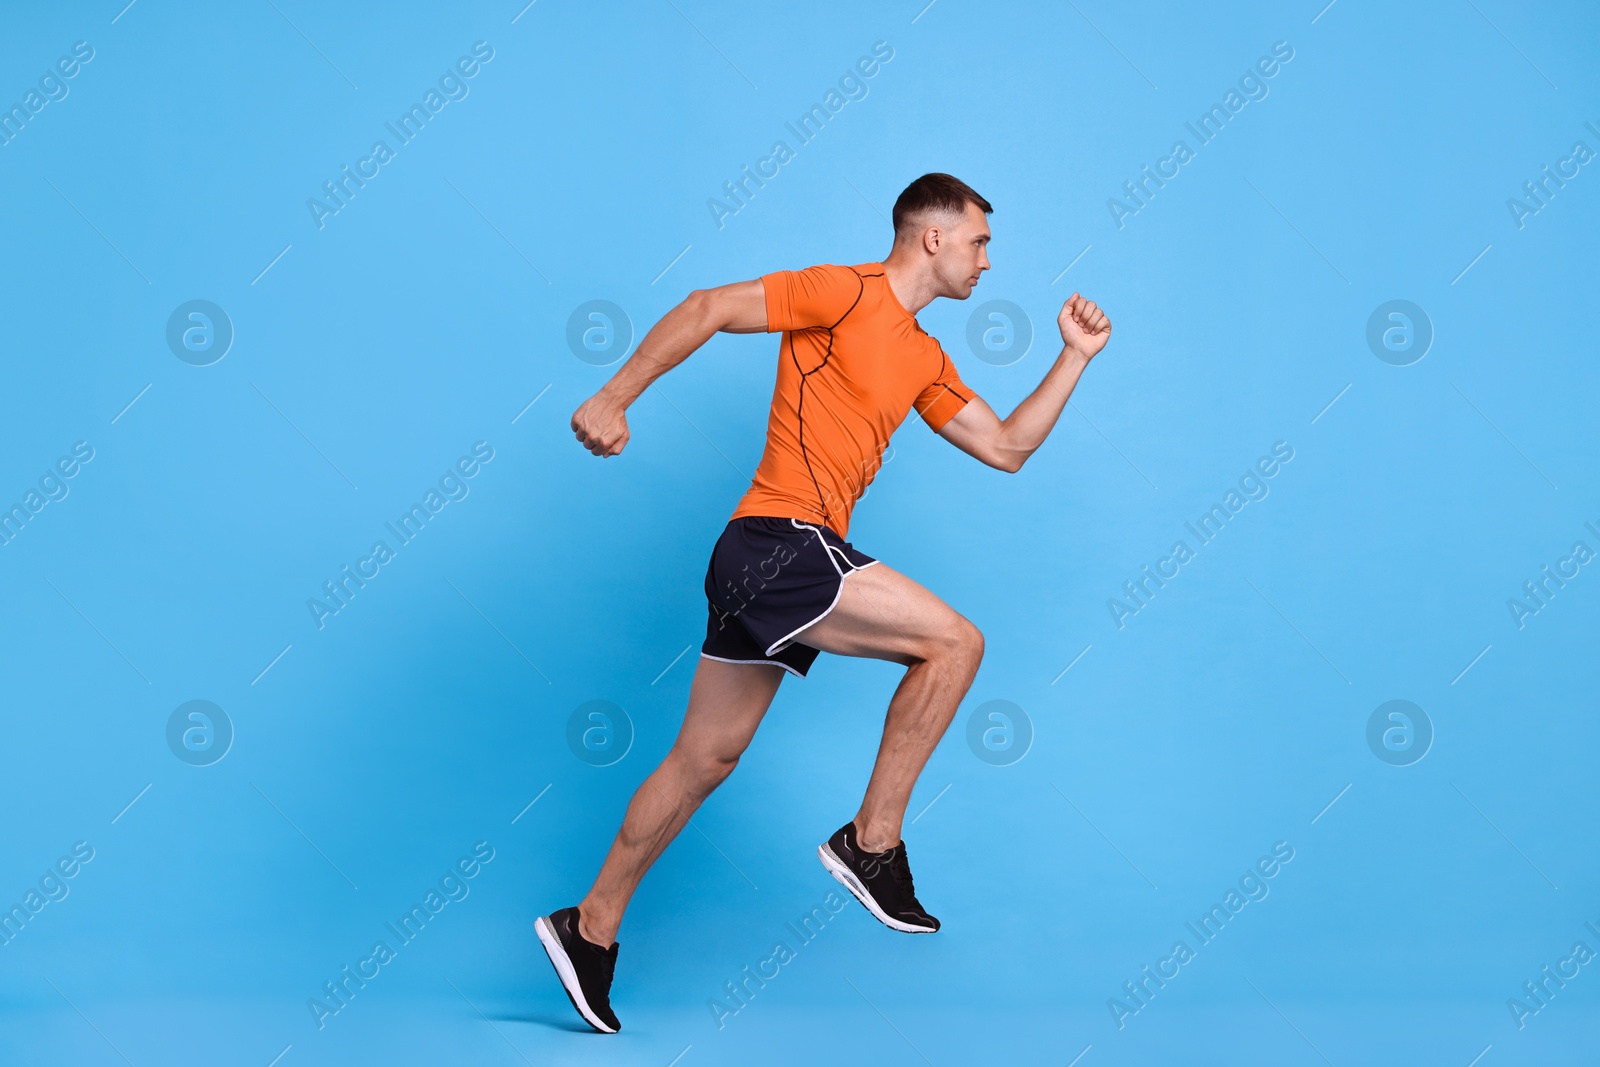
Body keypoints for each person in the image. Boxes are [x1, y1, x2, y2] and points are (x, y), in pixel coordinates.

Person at [536, 173, 1112, 1033]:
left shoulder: (923, 354)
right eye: (980, 242)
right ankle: (870, 844)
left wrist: (1072, 356)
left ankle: (589, 927)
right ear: (931, 237)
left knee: (704, 762)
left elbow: (1006, 447)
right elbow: (706, 306)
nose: (988, 259)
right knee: (955, 644)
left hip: (769, 564)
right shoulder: (843, 290)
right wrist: (614, 396)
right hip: (780, 542)